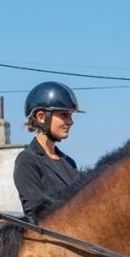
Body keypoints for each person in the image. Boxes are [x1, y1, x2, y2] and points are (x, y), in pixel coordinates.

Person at [13, 80, 82, 223]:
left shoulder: (70, 163)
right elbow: (37, 213)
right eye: (64, 115)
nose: (71, 122)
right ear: (41, 117)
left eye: (71, 115)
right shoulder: (27, 160)